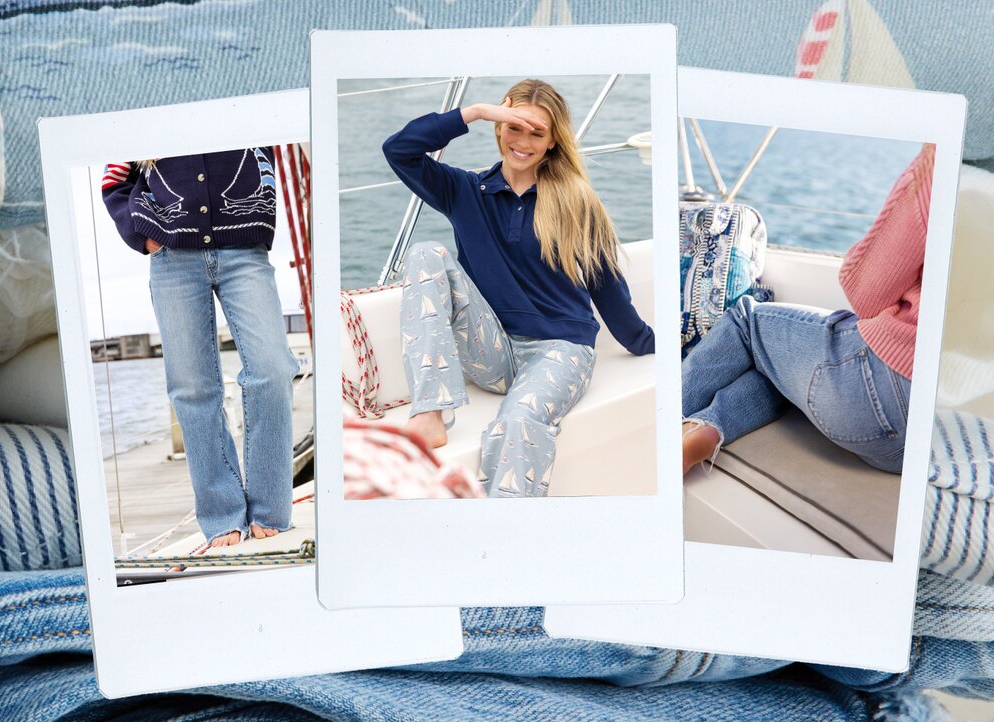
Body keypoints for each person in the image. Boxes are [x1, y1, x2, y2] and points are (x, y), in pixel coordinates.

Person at [382, 79, 654, 498]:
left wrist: (655, 344)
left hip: (559, 351)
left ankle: (508, 530)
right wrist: (474, 112)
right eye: (514, 127)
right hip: (492, 351)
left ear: (553, 141)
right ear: (498, 127)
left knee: (518, 423)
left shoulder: (576, 200)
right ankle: (431, 411)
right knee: (424, 253)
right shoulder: (464, 191)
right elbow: (399, 150)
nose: (523, 142)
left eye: (537, 133)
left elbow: (608, 288)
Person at [681, 144, 933, 475]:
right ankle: (706, 428)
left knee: (745, 319)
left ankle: (663, 423)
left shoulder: (940, 164)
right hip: (921, 447)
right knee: (778, 369)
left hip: (879, 399)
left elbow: (864, 292)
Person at [101, 149, 299, 547]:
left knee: (274, 370)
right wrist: (142, 234)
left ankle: (270, 509)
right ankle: (223, 516)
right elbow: (113, 179)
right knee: (192, 388)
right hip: (172, 257)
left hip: (245, 249)